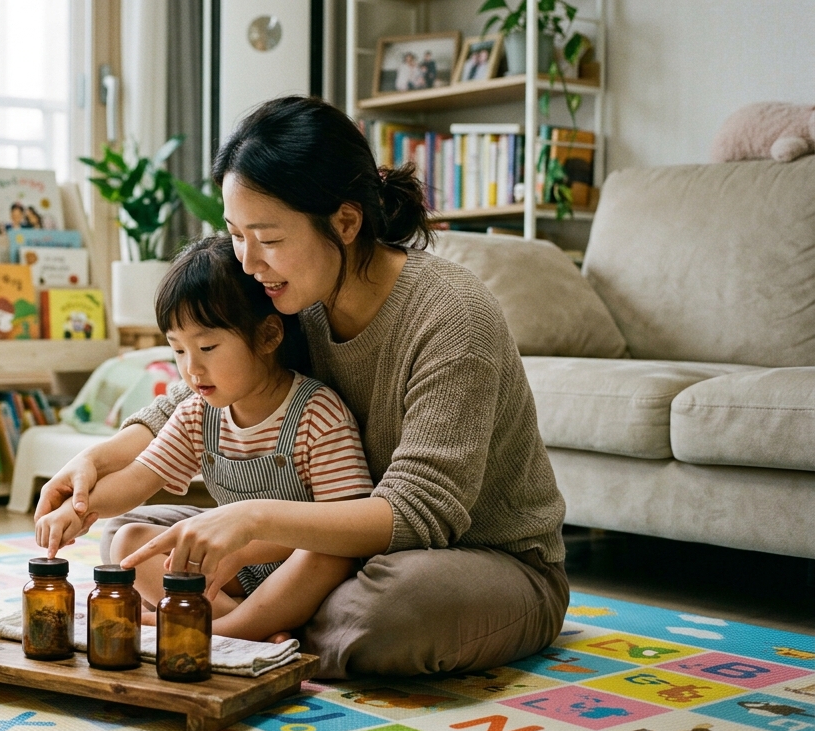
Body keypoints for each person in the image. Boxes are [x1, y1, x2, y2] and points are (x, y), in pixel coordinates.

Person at [33, 96, 569, 678]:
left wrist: (254, 520)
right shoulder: (292, 297)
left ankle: (234, 627)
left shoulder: (452, 314)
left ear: (345, 223)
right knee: (131, 540)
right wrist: (95, 462)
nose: (248, 262)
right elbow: (196, 400)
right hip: (330, 550)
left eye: (267, 238)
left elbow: (420, 512)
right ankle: (269, 626)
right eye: (236, 235)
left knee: (385, 612)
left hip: (475, 559)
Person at [37, 237, 373, 641]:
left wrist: (246, 549)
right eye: (178, 351)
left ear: (268, 336)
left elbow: (343, 526)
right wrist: (76, 510)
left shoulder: (318, 413)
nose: (192, 369)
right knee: (129, 542)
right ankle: (248, 626)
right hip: (234, 570)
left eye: (207, 347)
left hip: (302, 564)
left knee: (325, 553)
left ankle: (229, 630)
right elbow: (137, 479)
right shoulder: (198, 413)